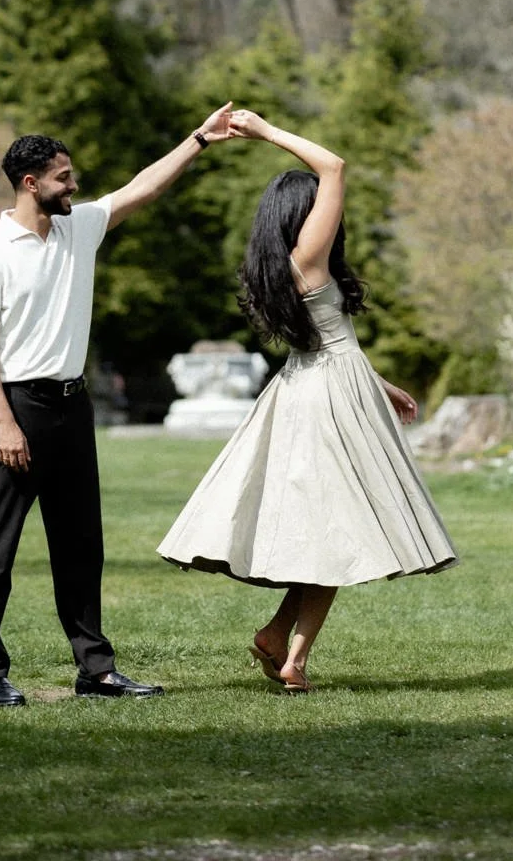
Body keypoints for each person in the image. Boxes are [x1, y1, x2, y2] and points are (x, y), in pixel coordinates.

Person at [158, 108, 455, 692]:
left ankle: (281, 643)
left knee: (331, 531)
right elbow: (335, 164)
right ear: (304, 215)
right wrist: (267, 134)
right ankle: (288, 652)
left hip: (307, 386)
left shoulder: (276, 269)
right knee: (340, 531)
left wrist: (383, 385)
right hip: (332, 400)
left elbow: (328, 341)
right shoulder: (310, 258)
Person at [0, 107, 236, 706]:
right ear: (31, 184)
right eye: (63, 177)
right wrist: (4, 422)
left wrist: (198, 140)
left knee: (82, 547)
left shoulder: (78, 228)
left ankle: (96, 670)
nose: (74, 185)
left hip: (71, 410)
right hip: (17, 410)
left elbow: (143, 187)